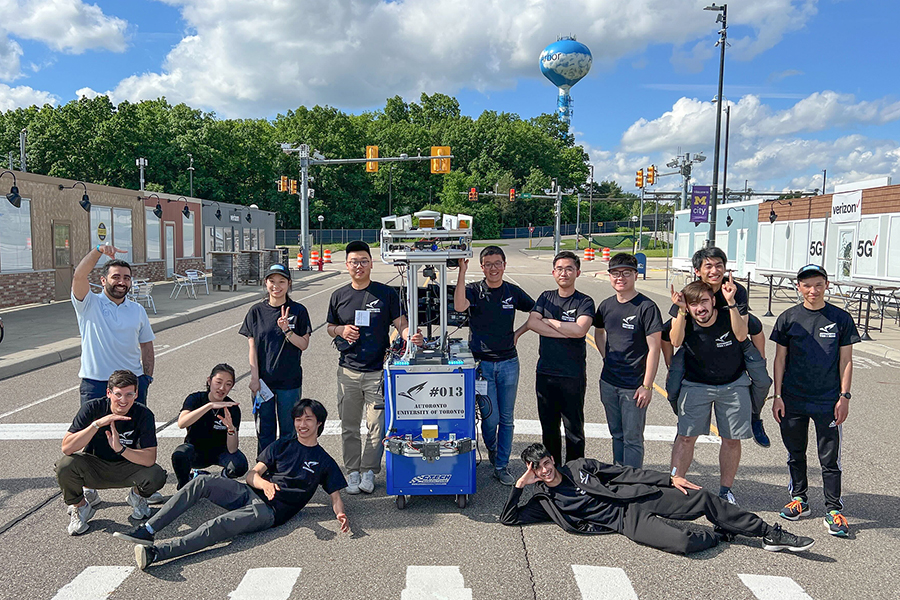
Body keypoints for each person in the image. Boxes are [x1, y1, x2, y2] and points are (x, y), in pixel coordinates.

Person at [114, 399, 350, 569]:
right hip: (249, 493)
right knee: (203, 482)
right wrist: (263, 484)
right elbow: (251, 475)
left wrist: (340, 515)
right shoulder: (282, 445)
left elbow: (335, 497)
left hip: (268, 512)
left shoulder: (324, 461)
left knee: (217, 525)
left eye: (308, 419)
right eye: (298, 419)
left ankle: (156, 553)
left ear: (319, 423)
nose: (302, 424)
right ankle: (148, 530)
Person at [499, 443, 814, 555]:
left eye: (545, 463)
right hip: (626, 521)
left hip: (639, 498)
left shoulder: (578, 467)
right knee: (681, 543)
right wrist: (520, 485)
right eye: (537, 469)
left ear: (552, 459)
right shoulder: (544, 501)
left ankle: (768, 534)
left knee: (701, 497)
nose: (544, 470)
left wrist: (668, 479)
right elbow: (509, 519)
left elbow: (624, 473)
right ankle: (719, 534)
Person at [327, 241, 423, 494]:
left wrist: (408, 335)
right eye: (354, 262)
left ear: (371, 263)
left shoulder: (385, 293)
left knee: (376, 425)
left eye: (363, 261)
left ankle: (369, 470)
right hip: (347, 371)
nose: (359, 266)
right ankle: (352, 472)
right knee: (349, 426)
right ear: (347, 265)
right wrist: (341, 330)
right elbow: (329, 327)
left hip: (378, 372)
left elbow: (400, 323)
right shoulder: (339, 295)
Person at [770, 264, 859, 537]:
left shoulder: (840, 319)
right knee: (795, 453)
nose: (812, 290)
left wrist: (844, 397)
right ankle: (800, 500)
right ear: (798, 287)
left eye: (818, 284)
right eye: (807, 285)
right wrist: (777, 396)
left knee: (829, 459)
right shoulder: (788, 318)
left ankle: (833, 509)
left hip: (827, 400)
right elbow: (780, 359)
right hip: (793, 398)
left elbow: (846, 360)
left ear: (826, 285)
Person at [667, 280, 769, 505]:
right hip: (695, 385)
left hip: (733, 385)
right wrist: (682, 311)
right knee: (685, 437)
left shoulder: (728, 315)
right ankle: (676, 482)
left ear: (713, 301)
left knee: (731, 440)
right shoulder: (685, 318)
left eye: (704, 301)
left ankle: (725, 491)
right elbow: (673, 340)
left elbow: (748, 332)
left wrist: (732, 303)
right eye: (693, 304)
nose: (700, 308)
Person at [663, 247, 771, 447]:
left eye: (719, 265)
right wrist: (670, 363)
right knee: (672, 386)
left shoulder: (735, 290)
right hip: (695, 344)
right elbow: (668, 335)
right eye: (708, 266)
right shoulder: (691, 292)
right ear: (697, 271)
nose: (714, 271)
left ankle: (754, 416)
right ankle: (683, 414)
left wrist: (760, 359)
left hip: (735, 340)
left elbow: (749, 330)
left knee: (763, 380)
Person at [454, 246, 534, 484]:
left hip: (509, 362)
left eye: (497, 263)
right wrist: (461, 271)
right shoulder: (474, 290)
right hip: (482, 366)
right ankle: (493, 450)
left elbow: (537, 310)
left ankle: (502, 465)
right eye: (488, 264)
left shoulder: (512, 292)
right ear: (482, 267)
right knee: (490, 419)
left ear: (504, 265)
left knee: (507, 419)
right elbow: (459, 306)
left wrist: (520, 331)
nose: (493, 268)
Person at [55, 370, 167, 535]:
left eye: (129, 394)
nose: (123, 400)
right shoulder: (93, 408)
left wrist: (120, 449)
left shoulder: (144, 414)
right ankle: (81, 506)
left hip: (127, 466)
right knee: (65, 465)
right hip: (95, 466)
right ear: (108, 393)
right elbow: (67, 447)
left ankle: (137, 496)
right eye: (118, 394)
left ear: (136, 394)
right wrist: (97, 425)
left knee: (156, 474)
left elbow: (150, 458)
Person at [593, 253, 663, 469]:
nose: (620, 278)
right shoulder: (606, 306)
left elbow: (655, 348)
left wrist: (647, 385)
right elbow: (599, 333)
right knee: (617, 434)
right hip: (609, 382)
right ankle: (618, 475)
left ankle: (632, 482)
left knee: (632, 439)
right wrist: (607, 357)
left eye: (626, 273)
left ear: (636, 275)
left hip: (634, 387)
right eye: (615, 273)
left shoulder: (646, 307)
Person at [525, 250, 595, 466]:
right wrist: (568, 330)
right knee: (549, 429)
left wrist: (551, 322)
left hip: (572, 375)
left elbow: (580, 330)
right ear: (553, 272)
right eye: (560, 269)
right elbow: (532, 323)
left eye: (569, 268)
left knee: (574, 429)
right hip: (545, 373)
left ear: (578, 272)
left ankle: (576, 474)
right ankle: (551, 472)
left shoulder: (584, 301)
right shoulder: (546, 297)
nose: (564, 273)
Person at [240, 263, 312, 455]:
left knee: (289, 430)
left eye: (282, 281)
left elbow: (303, 344)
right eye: (272, 281)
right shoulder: (256, 311)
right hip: (263, 383)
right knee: (264, 431)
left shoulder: (298, 310)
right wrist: (254, 378)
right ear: (266, 283)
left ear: (289, 284)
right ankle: (265, 469)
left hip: (290, 381)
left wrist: (286, 330)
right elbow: (252, 347)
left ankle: (287, 469)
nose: (276, 286)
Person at [72, 244, 155, 405]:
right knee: (94, 430)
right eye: (116, 277)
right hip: (96, 384)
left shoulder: (137, 310)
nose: (121, 282)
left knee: (132, 430)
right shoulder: (89, 304)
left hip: (131, 383)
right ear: (103, 280)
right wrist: (98, 250)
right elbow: (79, 277)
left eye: (126, 278)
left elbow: (146, 345)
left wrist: (146, 378)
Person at [171, 363, 249, 490]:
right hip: (196, 451)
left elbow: (232, 449)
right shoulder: (195, 399)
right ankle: (185, 485)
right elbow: (182, 423)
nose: (222, 388)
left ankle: (221, 481)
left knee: (239, 464)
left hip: (220, 452)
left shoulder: (232, 408)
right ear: (209, 380)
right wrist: (209, 406)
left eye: (228, 384)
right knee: (180, 454)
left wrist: (230, 429)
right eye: (218, 382)